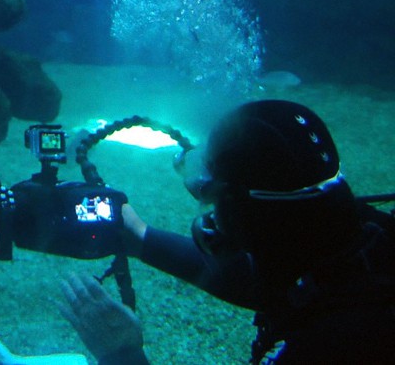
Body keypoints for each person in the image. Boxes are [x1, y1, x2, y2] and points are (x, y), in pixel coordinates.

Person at [58, 99, 395, 364]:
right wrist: (142, 237)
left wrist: (121, 355)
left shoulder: (335, 345)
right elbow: (265, 281)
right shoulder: (359, 244)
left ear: (249, 216)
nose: (212, 221)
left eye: (216, 200)